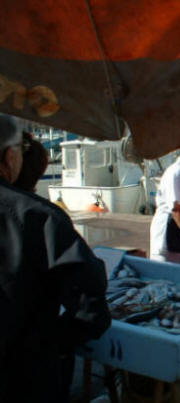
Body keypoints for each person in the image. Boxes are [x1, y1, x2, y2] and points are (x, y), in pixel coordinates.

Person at [0, 115, 111, 403]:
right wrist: (53, 343)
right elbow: (91, 304)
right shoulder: (39, 218)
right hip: (25, 378)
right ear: (11, 156)